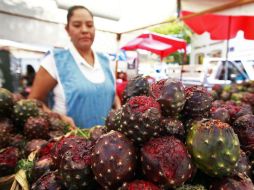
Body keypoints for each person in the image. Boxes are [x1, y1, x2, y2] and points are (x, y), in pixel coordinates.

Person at [29, 5, 121, 128]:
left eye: (89, 25)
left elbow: (111, 95)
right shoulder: (54, 61)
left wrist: (119, 107)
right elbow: (33, 102)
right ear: (67, 29)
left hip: (105, 143)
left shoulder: (107, 61)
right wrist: (57, 117)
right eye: (77, 25)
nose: (84, 30)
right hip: (68, 143)